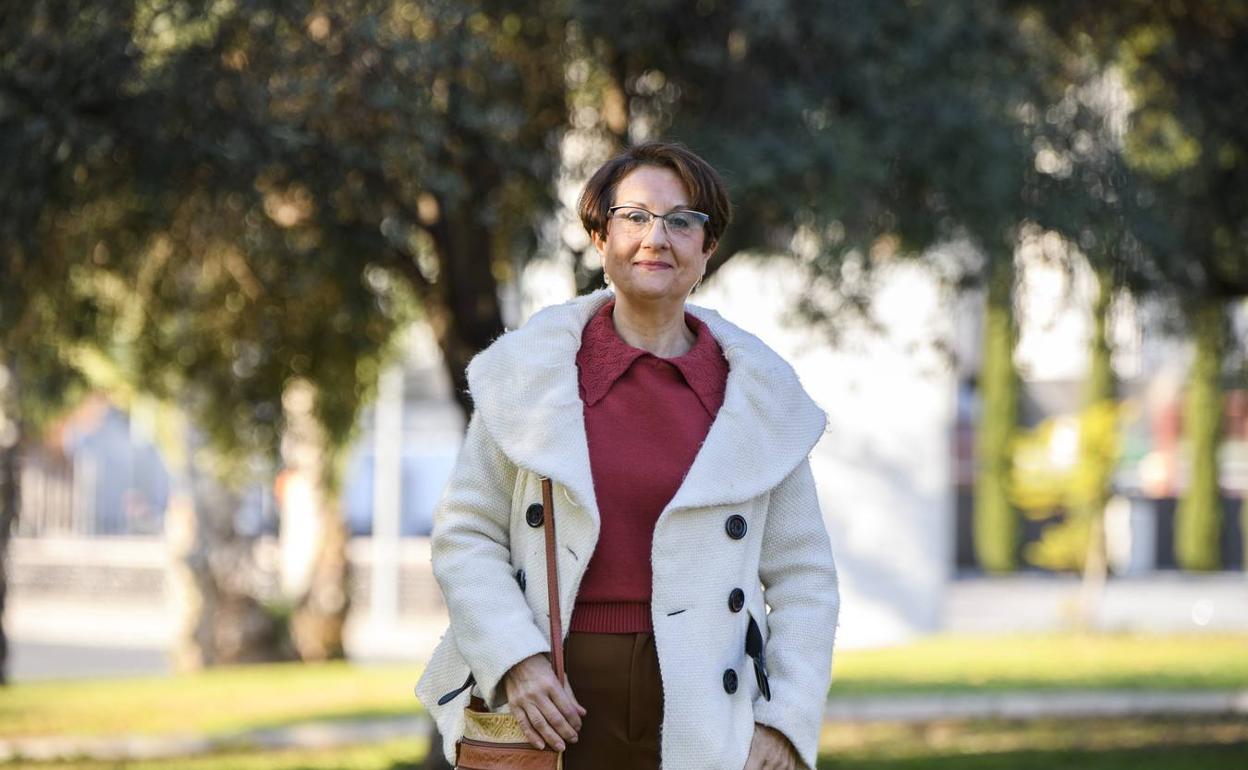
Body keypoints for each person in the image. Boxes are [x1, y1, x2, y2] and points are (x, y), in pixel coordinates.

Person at [416, 142, 840, 770]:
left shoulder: (760, 397)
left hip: (704, 704)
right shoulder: (528, 374)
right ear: (599, 236)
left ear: (708, 246)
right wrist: (516, 661)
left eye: (680, 220)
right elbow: (465, 533)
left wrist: (784, 721)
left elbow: (806, 579)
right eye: (633, 216)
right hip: (552, 703)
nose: (656, 237)